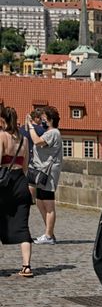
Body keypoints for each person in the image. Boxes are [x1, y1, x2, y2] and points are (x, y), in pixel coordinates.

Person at [1, 107, 33, 277]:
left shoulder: (2, 136)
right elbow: (26, 166)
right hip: (21, 182)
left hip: (4, 184)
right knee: (22, 225)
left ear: (3, 121)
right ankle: (26, 266)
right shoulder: (24, 139)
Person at [25, 106, 62, 245]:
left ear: (51, 120)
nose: (42, 122)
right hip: (42, 171)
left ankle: (48, 236)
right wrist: (30, 124)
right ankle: (49, 232)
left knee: (48, 204)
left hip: (48, 173)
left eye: (44, 119)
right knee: (40, 201)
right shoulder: (49, 132)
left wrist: (31, 126)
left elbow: (37, 141)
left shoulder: (53, 133)